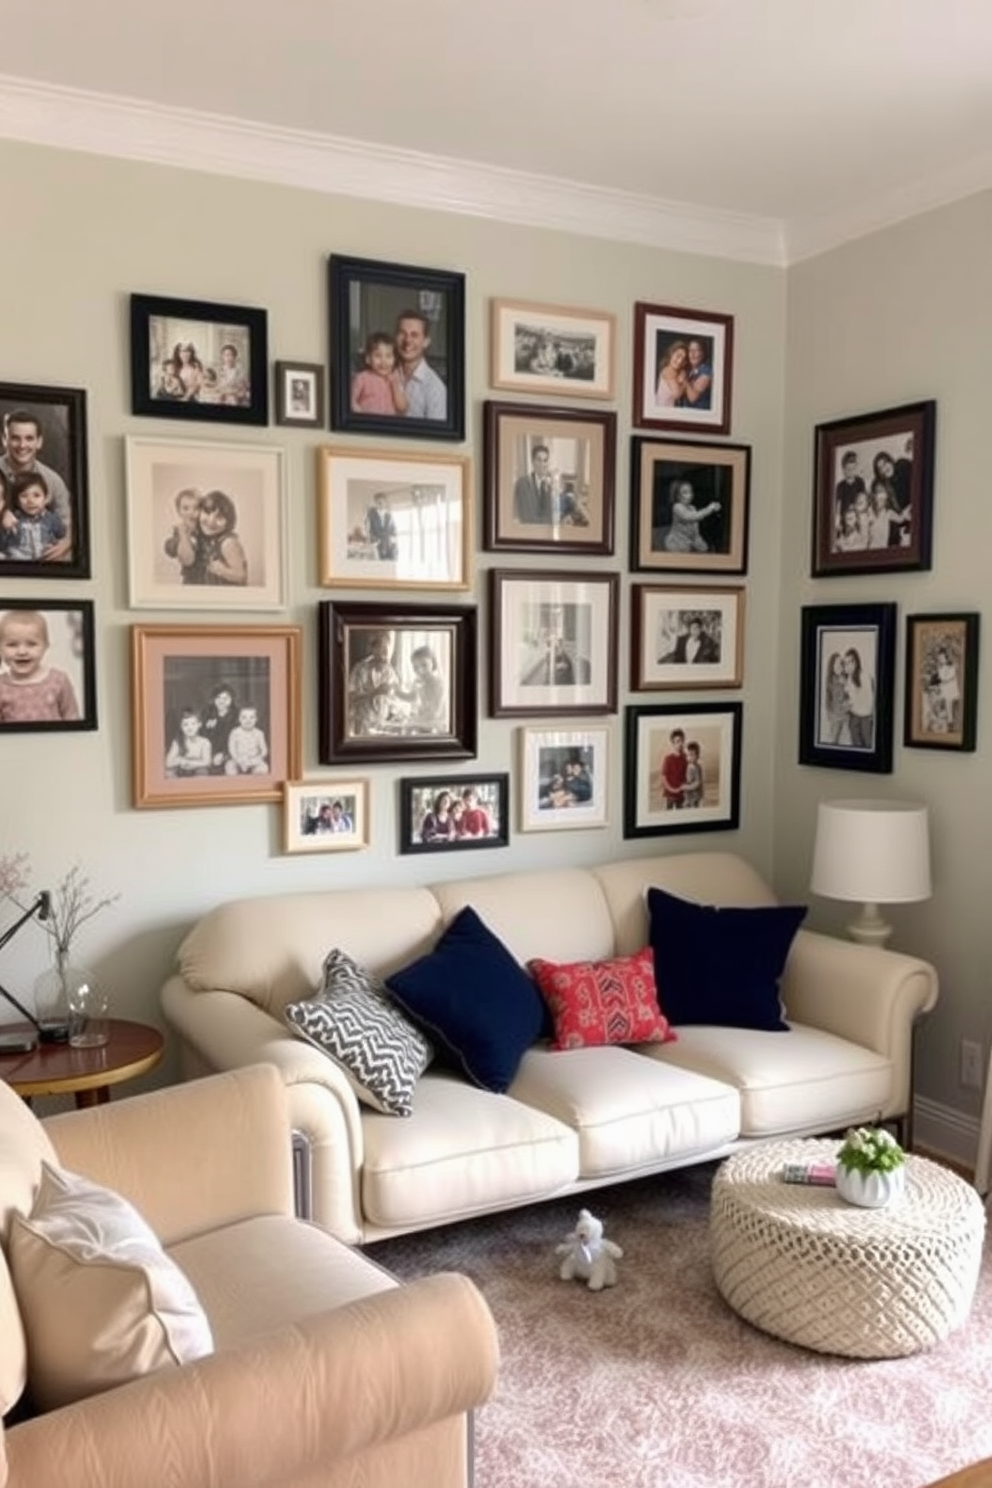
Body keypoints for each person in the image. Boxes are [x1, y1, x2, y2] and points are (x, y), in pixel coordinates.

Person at [0, 410, 72, 562]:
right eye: (15, 438)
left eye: (29, 438)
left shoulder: (53, 480)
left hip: (38, 552)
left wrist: (67, 542)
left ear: (39, 442)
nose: (22, 445)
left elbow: (67, 521)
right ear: (4, 440)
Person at [0, 608, 80, 723]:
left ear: (45, 646)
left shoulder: (59, 680)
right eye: (12, 645)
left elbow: (73, 718)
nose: (22, 652)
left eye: (31, 644)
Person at [0, 471, 66, 561]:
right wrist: (5, 528)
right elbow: (3, 544)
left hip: (44, 560)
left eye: (36, 495)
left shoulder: (51, 519)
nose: (30, 501)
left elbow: (62, 535)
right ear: (17, 501)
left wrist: (56, 544)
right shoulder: (13, 518)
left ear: (45, 498)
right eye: (24, 496)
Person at [394, 310, 447, 420]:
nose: (407, 340)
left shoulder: (435, 389)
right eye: (402, 333)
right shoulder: (385, 373)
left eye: (414, 335)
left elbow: (436, 435)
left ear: (426, 342)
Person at [347, 629, 401, 735]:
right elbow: (351, 699)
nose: (384, 655)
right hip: (361, 726)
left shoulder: (390, 671)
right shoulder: (360, 669)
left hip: (382, 727)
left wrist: (395, 714)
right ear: (372, 649)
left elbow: (396, 701)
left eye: (386, 650)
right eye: (381, 649)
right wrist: (375, 692)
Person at [195, 490, 248, 586]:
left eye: (219, 517)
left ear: (228, 521)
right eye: (207, 513)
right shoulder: (209, 539)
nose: (211, 521)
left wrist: (222, 570)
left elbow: (241, 576)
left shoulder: (228, 543)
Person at [350, 332, 410, 416]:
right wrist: (360, 416)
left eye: (388, 356)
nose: (383, 361)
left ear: (394, 359)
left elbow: (402, 408)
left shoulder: (395, 379)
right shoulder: (362, 378)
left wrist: (395, 385)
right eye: (378, 356)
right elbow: (350, 400)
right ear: (368, 359)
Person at [661, 479, 721, 554]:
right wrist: (709, 508)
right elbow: (691, 517)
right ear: (677, 495)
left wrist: (703, 547)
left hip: (688, 543)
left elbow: (695, 531)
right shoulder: (677, 507)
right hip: (676, 544)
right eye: (685, 492)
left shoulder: (692, 508)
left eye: (691, 492)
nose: (690, 495)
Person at [400, 644, 446, 729]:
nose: (420, 670)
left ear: (433, 663)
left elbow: (435, 713)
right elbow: (412, 697)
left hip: (436, 723)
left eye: (424, 665)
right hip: (422, 721)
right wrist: (396, 692)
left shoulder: (438, 683)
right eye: (415, 667)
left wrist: (414, 721)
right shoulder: (417, 681)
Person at [162, 487, 203, 583]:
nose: (191, 512)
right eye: (186, 508)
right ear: (179, 512)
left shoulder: (205, 528)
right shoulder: (179, 532)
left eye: (196, 508)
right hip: (191, 578)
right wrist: (183, 533)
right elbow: (186, 559)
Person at [164, 707, 212, 777]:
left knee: (202, 772)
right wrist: (180, 761)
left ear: (199, 725)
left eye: (193, 724)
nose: (190, 728)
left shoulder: (204, 742)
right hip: (180, 771)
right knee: (169, 773)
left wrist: (191, 763)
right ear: (181, 727)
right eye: (185, 724)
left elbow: (207, 762)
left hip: (198, 770)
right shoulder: (177, 742)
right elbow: (168, 762)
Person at [513, 444, 553, 525]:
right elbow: (527, 518)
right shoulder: (523, 483)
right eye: (539, 460)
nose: (543, 464)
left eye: (545, 460)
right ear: (533, 462)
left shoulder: (550, 486)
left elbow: (552, 516)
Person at [843, 648, 874, 749]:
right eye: (845, 663)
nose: (847, 666)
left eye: (850, 662)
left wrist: (851, 703)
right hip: (854, 717)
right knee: (856, 746)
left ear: (856, 662)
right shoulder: (848, 679)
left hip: (866, 717)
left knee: (868, 744)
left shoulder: (864, 676)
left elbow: (869, 700)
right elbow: (849, 699)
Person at [224, 703, 269, 775]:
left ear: (256, 719)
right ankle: (235, 785)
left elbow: (264, 750)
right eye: (244, 717)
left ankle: (255, 784)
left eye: (252, 717)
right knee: (229, 766)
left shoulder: (259, 733)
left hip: (254, 759)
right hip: (238, 759)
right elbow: (232, 749)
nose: (248, 720)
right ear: (239, 719)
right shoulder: (234, 732)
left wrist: (256, 759)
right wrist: (238, 760)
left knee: (263, 768)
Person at [203, 682, 237, 773]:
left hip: (230, 756)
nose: (221, 701)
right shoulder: (207, 714)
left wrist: (225, 755)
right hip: (209, 755)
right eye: (218, 697)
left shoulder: (237, 716)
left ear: (231, 699)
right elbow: (202, 738)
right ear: (213, 699)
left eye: (225, 698)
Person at [866, 479, 910, 549]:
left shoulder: (888, 513)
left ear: (887, 496)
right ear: (873, 494)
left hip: (882, 549)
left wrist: (908, 511)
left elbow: (900, 519)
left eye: (883, 492)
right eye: (877, 492)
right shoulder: (869, 510)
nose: (880, 495)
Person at [833, 450, 867, 541]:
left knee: (859, 535)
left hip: (857, 513)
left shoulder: (860, 482)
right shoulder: (840, 485)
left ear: (856, 467)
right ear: (843, 470)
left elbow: (863, 499)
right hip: (845, 516)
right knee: (844, 537)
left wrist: (860, 511)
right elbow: (838, 505)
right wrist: (837, 519)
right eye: (848, 469)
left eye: (853, 469)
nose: (851, 472)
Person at [823, 651, 850, 745]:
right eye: (837, 663)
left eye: (841, 664)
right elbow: (827, 702)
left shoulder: (846, 679)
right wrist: (831, 716)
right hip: (835, 717)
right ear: (832, 665)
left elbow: (850, 697)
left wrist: (846, 684)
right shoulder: (829, 681)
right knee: (834, 740)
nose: (840, 666)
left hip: (846, 716)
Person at [366, 492, 399, 561]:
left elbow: (393, 529)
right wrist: (374, 540)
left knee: (391, 564)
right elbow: (368, 530)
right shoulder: (371, 515)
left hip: (388, 545)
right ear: (375, 503)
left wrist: (393, 538)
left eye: (383, 502)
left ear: (385, 503)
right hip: (377, 544)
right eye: (378, 502)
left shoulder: (389, 515)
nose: (381, 504)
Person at [659, 729, 687, 809]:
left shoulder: (685, 757)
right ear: (673, 743)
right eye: (677, 741)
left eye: (682, 741)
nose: (680, 744)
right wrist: (673, 790)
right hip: (670, 794)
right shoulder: (668, 759)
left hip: (681, 794)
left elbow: (688, 775)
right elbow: (664, 778)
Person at [655, 341, 689, 407]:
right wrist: (684, 381)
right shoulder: (669, 370)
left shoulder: (675, 371)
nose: (680, 361)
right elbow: (677, 394)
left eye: (684, 359)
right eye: (678, 356)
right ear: (671, 353)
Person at [682, 339, 713, 409]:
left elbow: (693, 398)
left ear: (703, 353)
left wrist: (684, 380)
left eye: (696, 350)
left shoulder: (707, 371)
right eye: (690, 350)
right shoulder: (688, 370)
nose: (692, 354)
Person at [935, 646, 961, 730]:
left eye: (942, 657)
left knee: (948, 701)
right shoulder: (940, 668)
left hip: (951, 689)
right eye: (939, 658)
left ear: (946, 657)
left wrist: (945, 677)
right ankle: (942, 721)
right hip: (944, 689)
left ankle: (950, 722)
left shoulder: (952, 666)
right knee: (940, 701)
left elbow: (949, 677)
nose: (941, 659)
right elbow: (942, 678)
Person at [681, 742, 703, 808]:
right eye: (688, 755)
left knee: (693, 809)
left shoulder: (696, 767)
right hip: (689, 795)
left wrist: (686, 787)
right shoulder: (689, 765)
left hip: (694, 795)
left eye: (692, 755)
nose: (689, 757)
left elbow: (697, 782)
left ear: (697, 756)